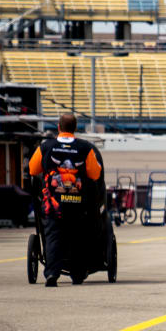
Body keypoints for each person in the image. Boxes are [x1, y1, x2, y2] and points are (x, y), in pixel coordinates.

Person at [27, 113, 103, 287]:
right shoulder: (85, 148)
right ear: (75, 128)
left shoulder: (46, 146)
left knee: (53, 237)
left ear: (59, 127)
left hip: (54, 204)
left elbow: (32, 169)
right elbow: (95, 174)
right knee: (78, 238)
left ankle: (52, 274)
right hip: (78, 204)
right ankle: (77, 275)